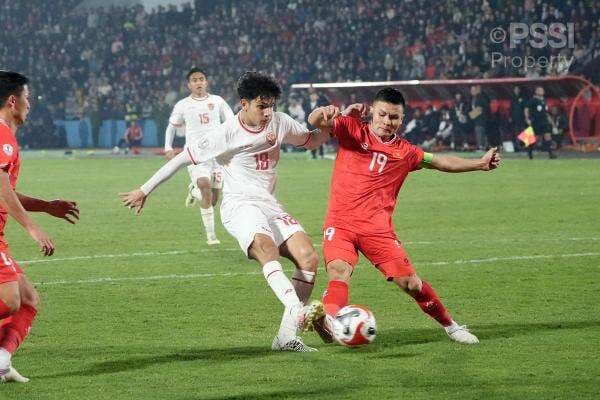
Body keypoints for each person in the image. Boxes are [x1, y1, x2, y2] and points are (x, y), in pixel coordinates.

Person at [120, 72, 332, 352]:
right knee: (265, 248)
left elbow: (311, 140)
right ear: (244, 103)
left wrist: (334, 124)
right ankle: (297, 309)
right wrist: (144, 190)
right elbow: (182, 159)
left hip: (269, 204)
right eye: (261, 106)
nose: (268, 112)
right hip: (239, 205)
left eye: (271, 105)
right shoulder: (226, 133)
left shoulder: (279, 122)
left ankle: (286, 337)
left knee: (308, 257)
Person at [307, 87, 501, 345]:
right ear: (372, 113)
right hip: (340, 224)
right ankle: (329, 320)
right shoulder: (353, 129)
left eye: (394, 117)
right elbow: (314, 121)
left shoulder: (406, 152)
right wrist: (327, 111)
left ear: (402, 119)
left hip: (377, 230)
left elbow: (441, 162)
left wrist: (479, 164)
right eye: (383, 115)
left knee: (411, 284)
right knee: (338, 271)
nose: (387, 122)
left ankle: (451, 327)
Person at [0, 71, 79, 382]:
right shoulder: (3, 137)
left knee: (29, 300)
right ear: (12, 101)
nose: (29, 104)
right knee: (9, 300)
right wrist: (33, 228)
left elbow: (8, 192)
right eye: (27, 98)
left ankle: (2, 362)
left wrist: (46, 206)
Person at [164, 67, 234, 246]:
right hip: (195, 154)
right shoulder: (182, 105)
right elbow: (172, 126)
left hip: (217, 155)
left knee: (214, 197)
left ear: (206, 82)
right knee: (205, 186)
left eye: (201, 79)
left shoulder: (217, 101)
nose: (198, 82)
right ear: (189, 85)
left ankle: (192, 190)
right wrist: (168, 146)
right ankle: (211, 237)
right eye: (194, 80)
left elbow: (231, 121)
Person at [524, 87, 557, 159]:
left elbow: (546, 113)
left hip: (544, 122)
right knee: (535, 138)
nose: (541, 91)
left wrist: (552, 123)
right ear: (536, 91)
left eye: (542, 90)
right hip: (536, 121)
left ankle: (551, 154)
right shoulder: (532, 100)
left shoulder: (544, 101)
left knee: (548, 136)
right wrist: (527, 119)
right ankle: (530, 152)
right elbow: (526, 109)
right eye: (539, 90)